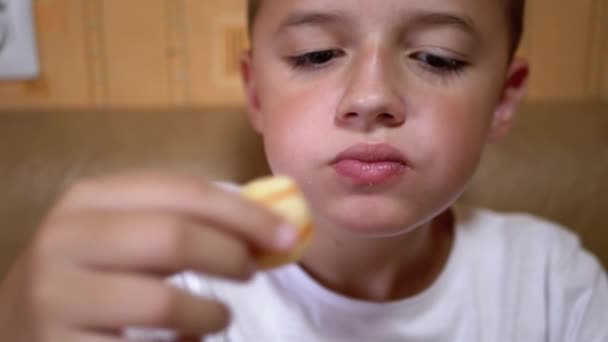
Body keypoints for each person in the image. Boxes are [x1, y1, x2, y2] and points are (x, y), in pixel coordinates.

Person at [1, 0, 607, 341]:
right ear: (256, 93)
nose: (370, 97)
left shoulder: (554, 287)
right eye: (316, 54)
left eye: (436, 58)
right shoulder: (173, 275)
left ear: (503, 99)